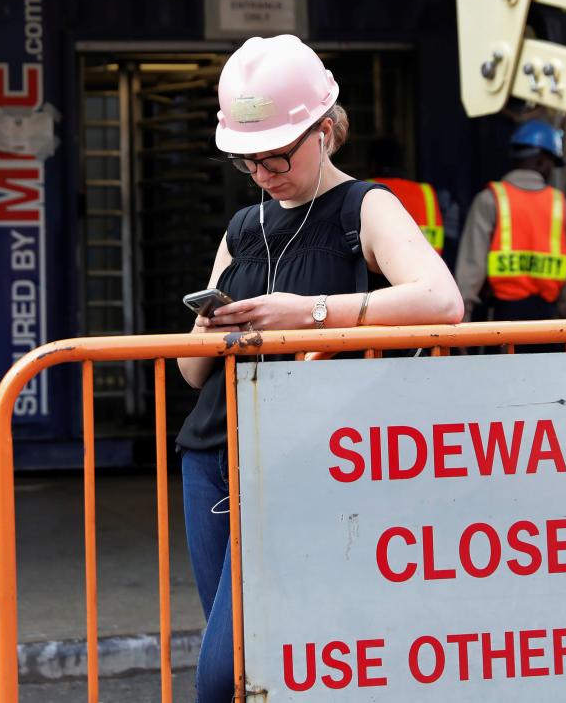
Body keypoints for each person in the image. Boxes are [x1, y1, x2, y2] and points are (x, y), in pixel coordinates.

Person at [175, 35, 463, 702]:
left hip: (305, 463)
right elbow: (192, 373)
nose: (264, 171)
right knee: (256, 667)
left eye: (277, 153)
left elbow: (441, 298)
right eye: (248, 161)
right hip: (211, 458)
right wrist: (210, 325)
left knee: (227, 674)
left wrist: (308, 313)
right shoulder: (242, 227)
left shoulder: (365, 208)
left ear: (325, 130)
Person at [454, 118, 566, 329]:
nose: (551, 171)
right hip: (548, 322)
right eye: (551, 163)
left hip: (502, 322)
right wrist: (564, 311)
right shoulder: (563, 206)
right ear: (541, 161)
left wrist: (463, 318)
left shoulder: (490, 199)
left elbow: (471, 268)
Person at [368, 136, 447, 256]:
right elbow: (436, 239)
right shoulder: (426, 192)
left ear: (372, 163)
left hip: (379, 272)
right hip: (426, 269)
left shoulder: (364, 190)